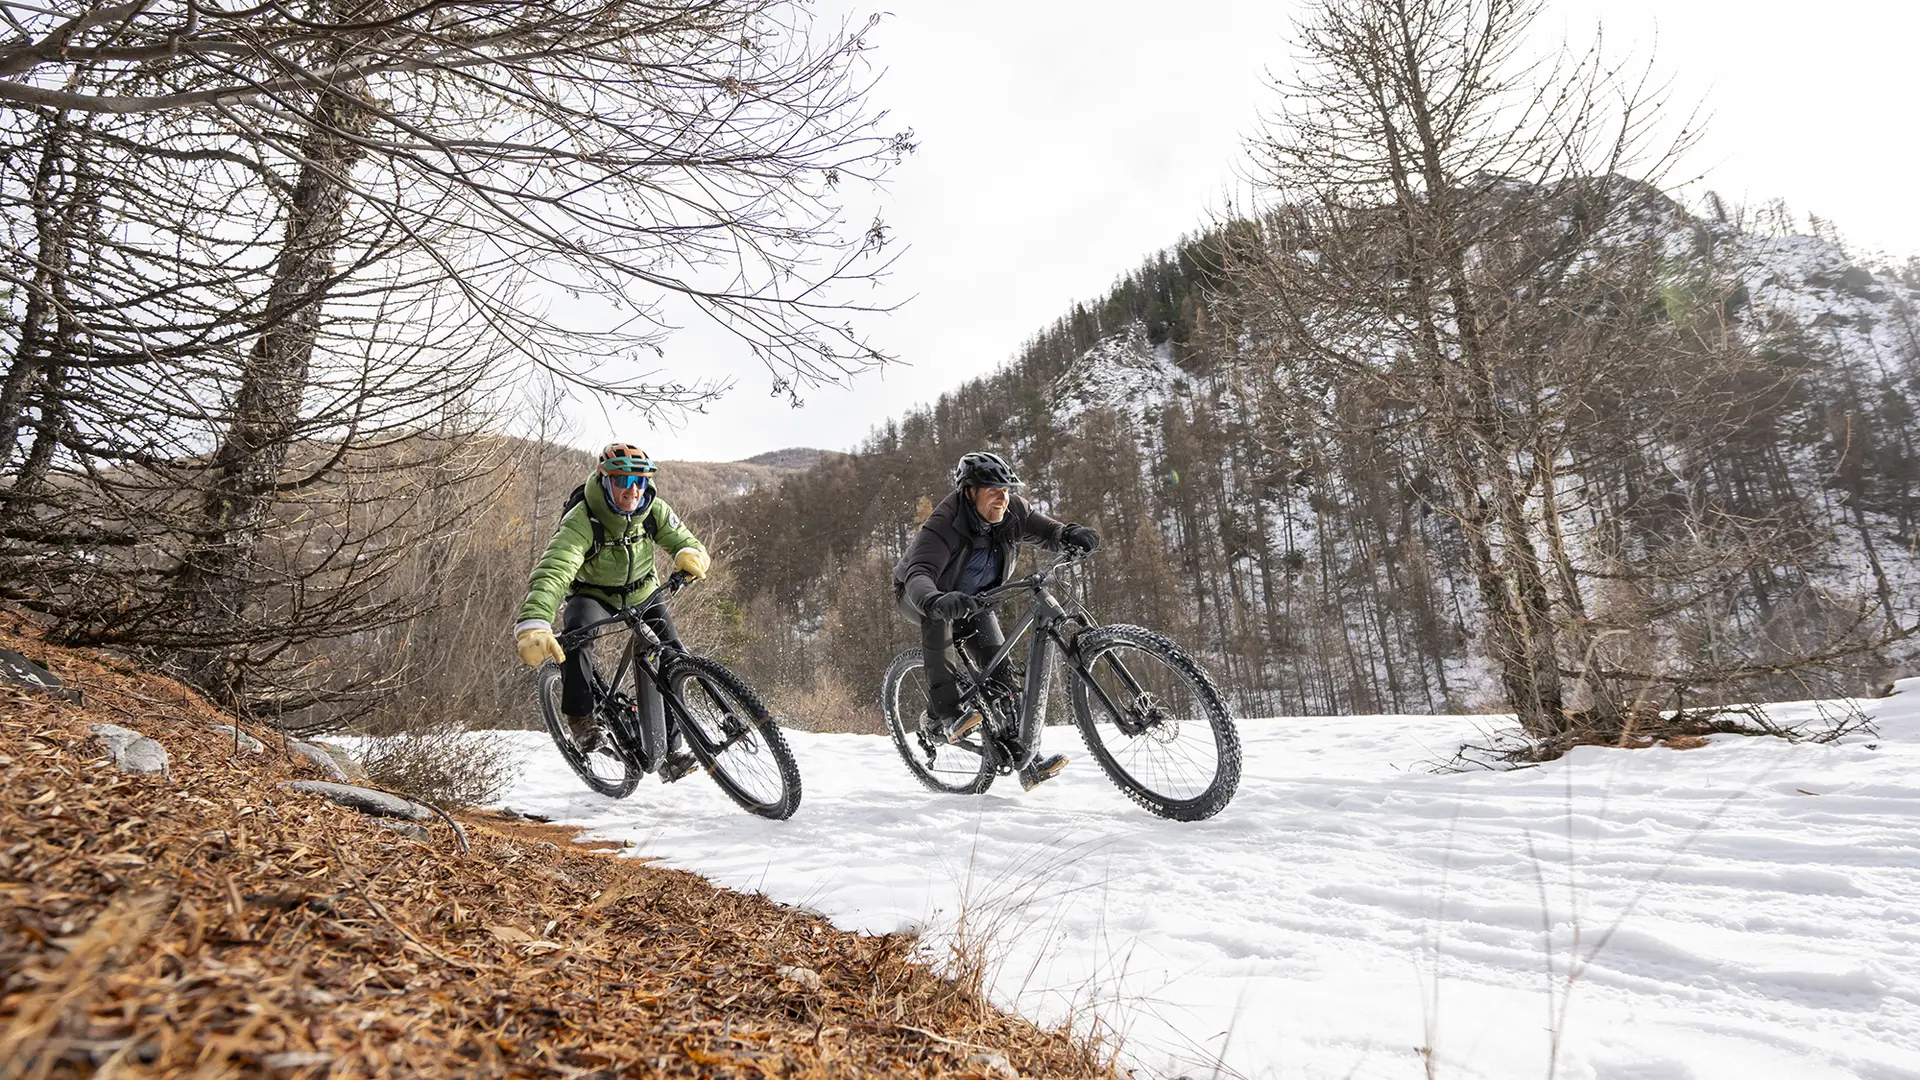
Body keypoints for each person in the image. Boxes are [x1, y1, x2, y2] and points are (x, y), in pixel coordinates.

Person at [891, 451, 1100, 790]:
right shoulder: (944, 524)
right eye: (993, 490)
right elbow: (919, 574)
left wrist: (1069, 535)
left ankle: (1026, 763)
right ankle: (946, 713)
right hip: (923, 594)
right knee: (937, 620)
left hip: (977, 600)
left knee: (1002, 676)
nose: (1003, 497)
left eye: (1006, 489)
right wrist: (936, 598)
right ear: (970, 491)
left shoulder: (1012, 510)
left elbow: (1045, 530)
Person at [513, 444, 711, 778]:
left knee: (674, 658)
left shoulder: (652, 509)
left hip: (643, 591)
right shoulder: (582, 519)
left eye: (640, 479)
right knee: (575, 638)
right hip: (593, 593)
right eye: (623, 479)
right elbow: (555, 570)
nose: (633, 488)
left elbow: (681, 538)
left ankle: (669, 751)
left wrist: (690, 554)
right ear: (606, 480)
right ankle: (581, 720)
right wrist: (534, 622)